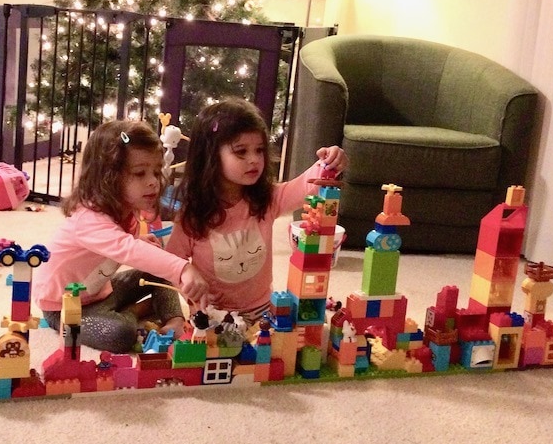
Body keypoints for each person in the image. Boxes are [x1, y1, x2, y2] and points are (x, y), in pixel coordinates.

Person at [166, 97, 348, 324]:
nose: (254, 160)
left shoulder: (266, 199)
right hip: (212, 317)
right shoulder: (193, 214)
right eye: (241, 151)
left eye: (259, 150)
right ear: (211, 156)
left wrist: (327, 164)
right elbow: (171, 261)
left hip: (263, 311)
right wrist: (187, 280)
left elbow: (303, 185)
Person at [33, 120, 209, 353]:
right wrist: (183, 269)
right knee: (121, 335)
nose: (153, 182)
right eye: (139, 173)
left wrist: (141, 242)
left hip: (102, 292)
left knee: (157, 265)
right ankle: (137, 312)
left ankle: (173, 318)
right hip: (65, 307)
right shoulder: (88, 219)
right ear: (107, 177)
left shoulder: (125, 210)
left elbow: (123, 246)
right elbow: (125, 248)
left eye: (156, 172)